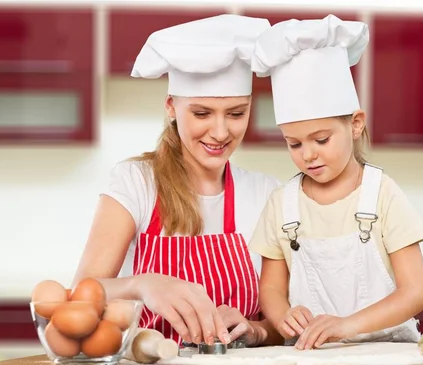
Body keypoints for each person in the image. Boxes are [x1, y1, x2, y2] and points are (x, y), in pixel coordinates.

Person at [72, 14, 283, 348]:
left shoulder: (266, 193)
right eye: (201, 113)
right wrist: (142, 284)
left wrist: (255, 330)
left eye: (236, 113)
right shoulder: (136, 183)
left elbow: (281, 322)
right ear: (171, 106)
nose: (220, 132)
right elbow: (81, 296)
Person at [248, 14, 423, 350]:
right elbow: (271, 290)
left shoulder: (382, 195)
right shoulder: (281, 203)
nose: (309, 155)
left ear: (356, 124)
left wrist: (346, 326)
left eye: (321, 139)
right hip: (310, 359)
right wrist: (283, 315)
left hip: (389, 358)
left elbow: (415, 292)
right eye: (294, 143)